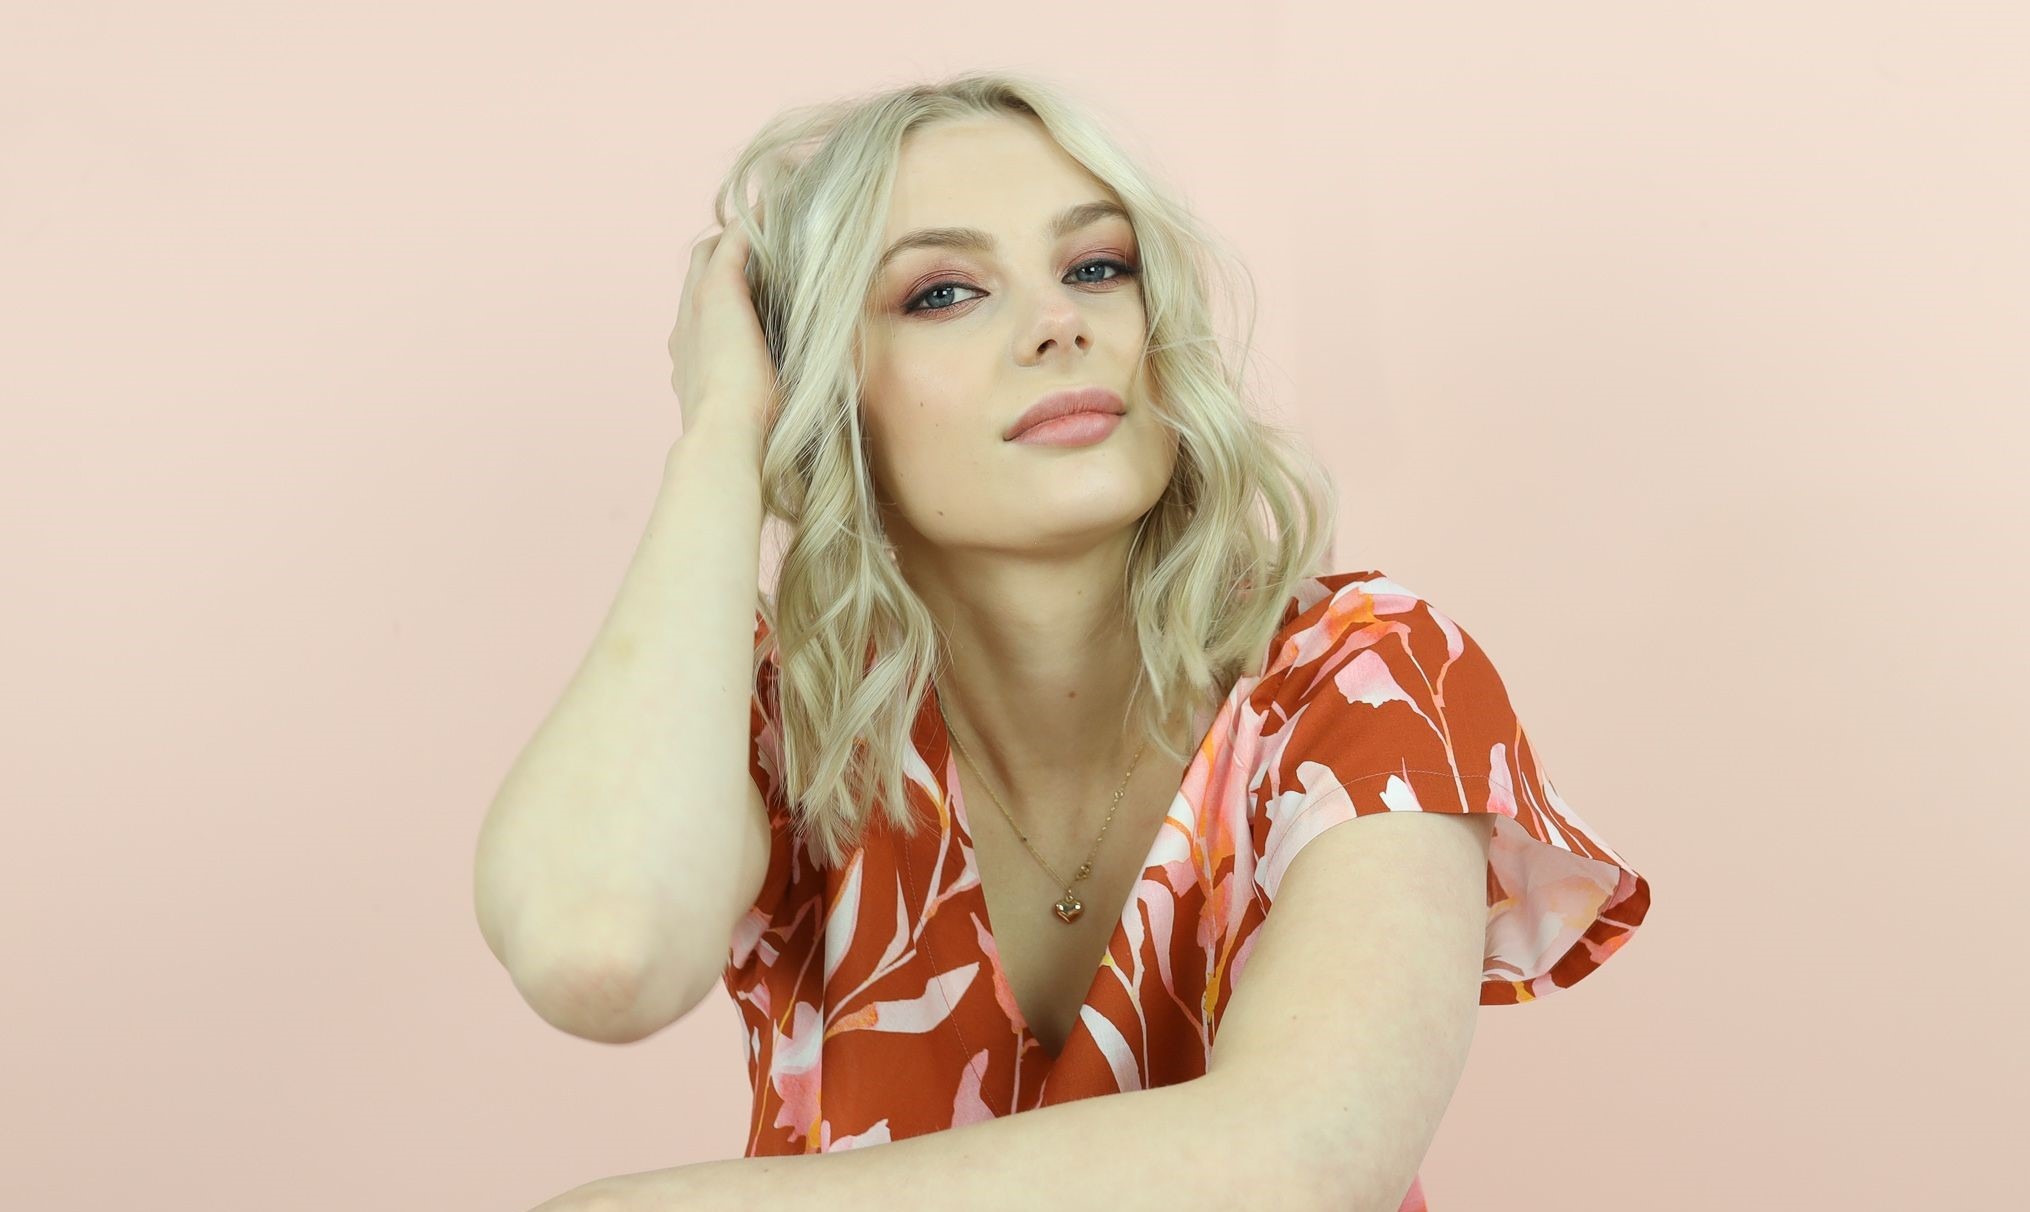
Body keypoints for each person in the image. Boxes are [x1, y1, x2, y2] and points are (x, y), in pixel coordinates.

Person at [477, 70, 1651, 1210]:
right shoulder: (774, 719)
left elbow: (1298, 1167)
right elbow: (597, 953)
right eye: (943, 292)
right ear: (822, 389)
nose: (1059, 325)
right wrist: (722, 434)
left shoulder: (1362, 677)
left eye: (1096, 268)